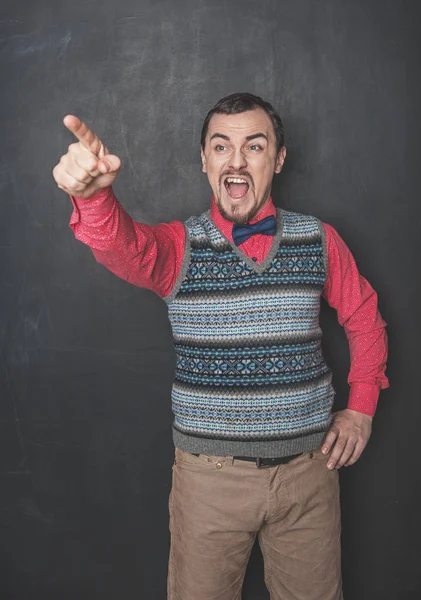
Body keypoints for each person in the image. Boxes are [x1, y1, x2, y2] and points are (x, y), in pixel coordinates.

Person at [53, 92, 388, 600]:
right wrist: (95, 197)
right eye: (221, 146)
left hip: (309, 476)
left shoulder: (319, 239)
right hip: (210, 482)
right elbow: (124, 248)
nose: (236, 160)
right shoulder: (178, 247)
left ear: (277, 158)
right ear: (205, 160)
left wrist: (361, 408)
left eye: (254, 147)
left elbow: (364, 318)